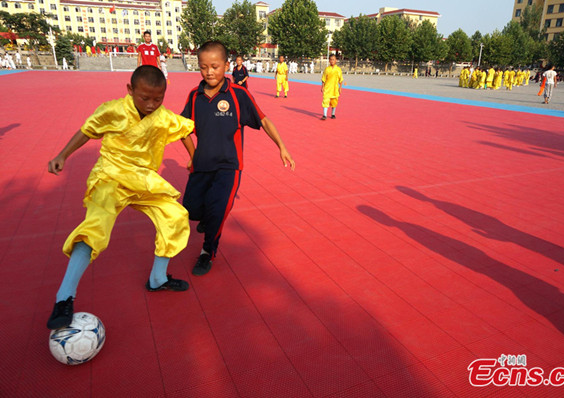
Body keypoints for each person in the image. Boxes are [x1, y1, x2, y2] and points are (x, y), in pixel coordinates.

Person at [46, 66, 195, 329]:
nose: (151, 104)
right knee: (95, 229)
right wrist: (62, 155)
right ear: (130, 90)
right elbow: (87, 131)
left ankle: (158, 279)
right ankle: (64, 298)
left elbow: (184, 131)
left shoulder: (164, 117)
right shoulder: (113, 110)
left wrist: (194, 157)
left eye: (158, 99)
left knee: (175, 216)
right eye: (144, 98)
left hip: (144, 179)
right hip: (111, 177)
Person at [180, 41, 295, 276]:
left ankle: (207, 253)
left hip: (229, 167)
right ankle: (207, 219)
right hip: (201, 165)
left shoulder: (238, 95)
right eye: (203, 67)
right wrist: (193, 156)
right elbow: (182, 130)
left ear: (226, 66)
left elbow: (263, 120)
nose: (209, 72)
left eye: (214, 66)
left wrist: (281, 146)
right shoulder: (194, 96)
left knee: (219, 211)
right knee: (190, 210)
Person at [321, 54, 344, 120]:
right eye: (330, 60)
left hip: (335, 88)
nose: (332, 61)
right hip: (327, 88)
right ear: (329, 61)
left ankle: (333, 114)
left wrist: (340, 88)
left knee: (334, 102)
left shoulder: (338, 69)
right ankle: (324, 115)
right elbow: (323, 79)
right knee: (325, 101)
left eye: (333, 59)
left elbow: (341, 80)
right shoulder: (327, 69)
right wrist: (322, 87)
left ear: (336, 60)